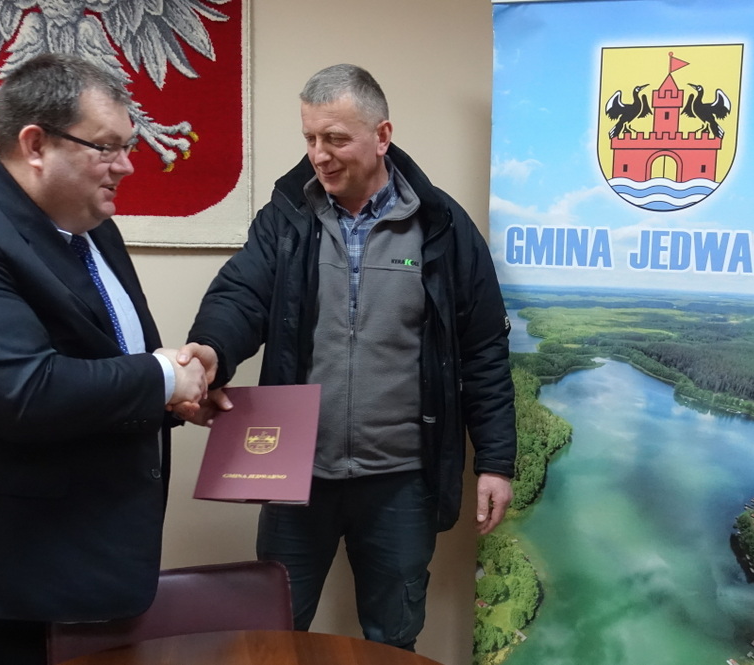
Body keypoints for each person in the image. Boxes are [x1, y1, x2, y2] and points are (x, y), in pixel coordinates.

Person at [0, 53, 214, 665]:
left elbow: (106, 358)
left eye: (128, 146)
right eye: (107, 147)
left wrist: (171, 398)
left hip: (91, 556)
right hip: (3, 577)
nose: (127, 165)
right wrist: (164, 376)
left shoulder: (90, 225)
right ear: (35, 144)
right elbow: (24, 392)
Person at [179, 63, 517, 651]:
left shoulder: (442, 227)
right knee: (274, 635)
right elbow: (241, 296)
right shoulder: (287, 218)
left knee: (392, 640)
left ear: (382, 136)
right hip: (294, 475)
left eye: (335, 138)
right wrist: (210, 350)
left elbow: (483, 350)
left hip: (402, 482)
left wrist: (495, 461)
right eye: (310, 138)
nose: (319, 155)